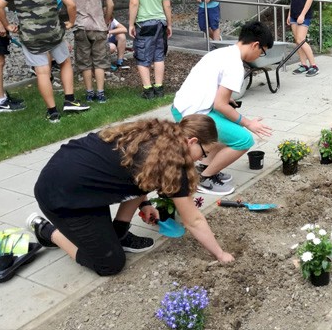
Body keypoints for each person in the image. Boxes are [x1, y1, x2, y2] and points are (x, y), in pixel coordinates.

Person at [26, 114, 235, 277]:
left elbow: (137, 176)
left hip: (77, 184)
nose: (202, 159)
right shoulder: (174, 164)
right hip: (62, 199)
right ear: (192, 141)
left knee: (114, 235)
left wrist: (144, 205)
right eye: (205, 153)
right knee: (110, 264)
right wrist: (220, 254)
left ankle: (119, 232)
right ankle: (47, 230)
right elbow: (194, 221)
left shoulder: (158, 135)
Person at [172, 21, 274, 195]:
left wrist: (229, 105)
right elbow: (220, 105)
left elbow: (214, 92)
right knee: (243, 140)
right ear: (255, 45)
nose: (259, 56)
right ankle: (205, 179)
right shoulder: (235, 65)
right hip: (194, 114)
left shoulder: (222, 53)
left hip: (181, 106)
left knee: (229, 129)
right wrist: (249, 124)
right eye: (262, 52)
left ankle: (205, 167)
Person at [0, 0, 89, 123]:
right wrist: (71, 22)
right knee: (65, 63)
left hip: (30, 37)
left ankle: (53, 112)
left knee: (42, 72)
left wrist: (7, 26)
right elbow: (71, 4)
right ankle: (69, 100)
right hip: (54, 33)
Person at [65, 0, 115, 103]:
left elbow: (68, 6)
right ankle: (100, 93)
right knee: (100, 61)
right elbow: (110, 3)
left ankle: (89, 92)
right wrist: (106, 20)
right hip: (98, 27)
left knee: (84, 61)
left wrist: (71, 21)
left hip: (81, 28)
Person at [128, 0, 172, 99]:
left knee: (142, 57)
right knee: (159, 56)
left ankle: (148, 91)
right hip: (160, 23)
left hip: (145, 23)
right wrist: (169, 25)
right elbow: (167, 5)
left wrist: (130, 24)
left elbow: (134, 3)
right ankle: (159, 89)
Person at [289, 0, 319, 77]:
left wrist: (302, 15)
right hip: (294, 14)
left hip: (303, 15)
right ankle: (303, 65)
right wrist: (289, 14)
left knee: (301, 40)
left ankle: (313, 65)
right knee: (297, 41)